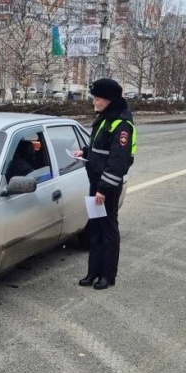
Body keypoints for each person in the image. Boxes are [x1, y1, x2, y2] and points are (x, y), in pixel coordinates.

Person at [73, 78, 136, 290]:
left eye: (97, 98)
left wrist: (103, 190)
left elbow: (117, 163)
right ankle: (93, 272)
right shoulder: (105, 119)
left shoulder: (122, 126)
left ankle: (108, 275)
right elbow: (100, 148)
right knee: (96, 228)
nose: (94, 102)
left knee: (108, 230)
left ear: (109, 100)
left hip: (106, 188)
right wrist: (85, 151)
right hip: (96, 184)